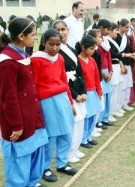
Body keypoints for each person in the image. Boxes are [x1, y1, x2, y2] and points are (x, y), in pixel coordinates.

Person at [0, 17, 48, 187]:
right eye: (33, 35)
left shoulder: (22, 53)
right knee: (19, 160)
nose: (35, 38)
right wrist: (16, 125)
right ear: (21, 36)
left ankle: (31, 182)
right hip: (18, 122)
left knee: (34, 153)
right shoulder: (7, 61)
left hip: (31, 117)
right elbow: (8, 97)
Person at [30, 28, 77, 182]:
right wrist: (37, 109)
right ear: (44, 43)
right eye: (51, 44)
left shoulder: (60, 58)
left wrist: (70, 102)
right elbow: (34, 85)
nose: (55, 48)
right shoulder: (35, 59)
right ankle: (44, 168)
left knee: (66, 134)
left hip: (62, 98)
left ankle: (62, 163)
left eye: (58, 44)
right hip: (47, 102)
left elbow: (64, 80)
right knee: (50, 137)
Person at [53, 20, 88, 163]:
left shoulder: (72, 50)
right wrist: (75, 95)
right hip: (69, 90)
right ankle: (68, 152)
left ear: (68, 30)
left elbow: (80, 72)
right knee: (72, 122)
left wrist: (84, 91)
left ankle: (75, 148)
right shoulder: (56, 51)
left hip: (78, 87)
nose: (61, 33)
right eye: (58, 30)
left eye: (63, 29)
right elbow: (60, 77)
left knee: (80, 120)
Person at [77, 35, 103, 149]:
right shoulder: (78, 61)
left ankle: (88, 136)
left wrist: (99, 90)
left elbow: (96, 76)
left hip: (93, 92)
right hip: (85, 93)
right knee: (86, 116)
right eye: (91, 49)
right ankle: (83, 138)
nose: (93, 51)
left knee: (93, 115)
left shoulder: (92, 60)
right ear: (83, 47)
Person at [94, 19, 116, 124]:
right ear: (101, 28)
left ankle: (105, 117)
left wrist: (111, 71)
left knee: (108, 94)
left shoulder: (105, 40)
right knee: (101, 95)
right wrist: (102, 72)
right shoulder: (95, 40)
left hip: (107, 70)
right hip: (99, 71)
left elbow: (108, 56)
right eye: (108, 29)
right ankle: (99, 120)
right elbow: (95, 60)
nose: (108, 32)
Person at [107, 22, 130, 117]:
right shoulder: (107, 40)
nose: (117, 32)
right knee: (113, 89)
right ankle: (111, 112)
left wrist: (121, 65)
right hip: (112, 65)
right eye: (115, 30)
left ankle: (116, 108)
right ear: (110, 31)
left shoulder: (113, 40)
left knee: (118, 88)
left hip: (117, 65)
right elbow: (112, 54)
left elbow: (117, 55)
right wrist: (124, 55)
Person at [115, 18, 135, 112]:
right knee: (121, 86)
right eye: (126, 27)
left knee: (127, 85)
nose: (128, 29)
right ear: (121, 26)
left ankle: (125, 103)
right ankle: (118, 106)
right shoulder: (116, 37)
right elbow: (117, 52)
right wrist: (121, 64)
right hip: (120, 63)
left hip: (127, 62)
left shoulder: (125, 37)